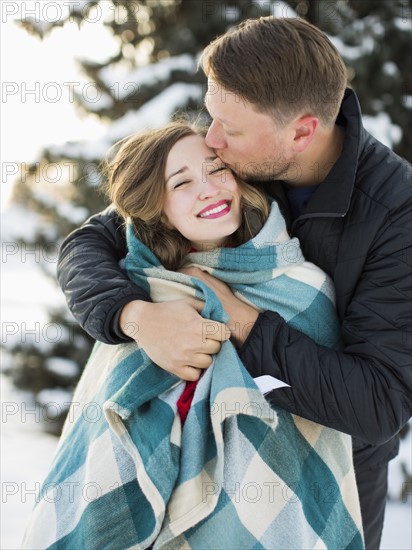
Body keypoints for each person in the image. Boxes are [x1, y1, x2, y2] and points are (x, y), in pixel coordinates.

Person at [57, 17, 412, 549]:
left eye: (231, 129)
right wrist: (137, 317)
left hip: (325, 475)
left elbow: (377, 405)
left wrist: (239, 319)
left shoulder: (396, 214)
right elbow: (89, 243)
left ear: (301, 132)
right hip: (191, 465)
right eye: (211, 116)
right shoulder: (223, 164)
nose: (211, 139)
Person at [24, 122, 364, 549]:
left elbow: (333, 409)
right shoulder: (141, 288)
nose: (208, 189)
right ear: (158, 209)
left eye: (217, 170)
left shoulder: (304, 289)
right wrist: (140, 318)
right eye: (182, 182)